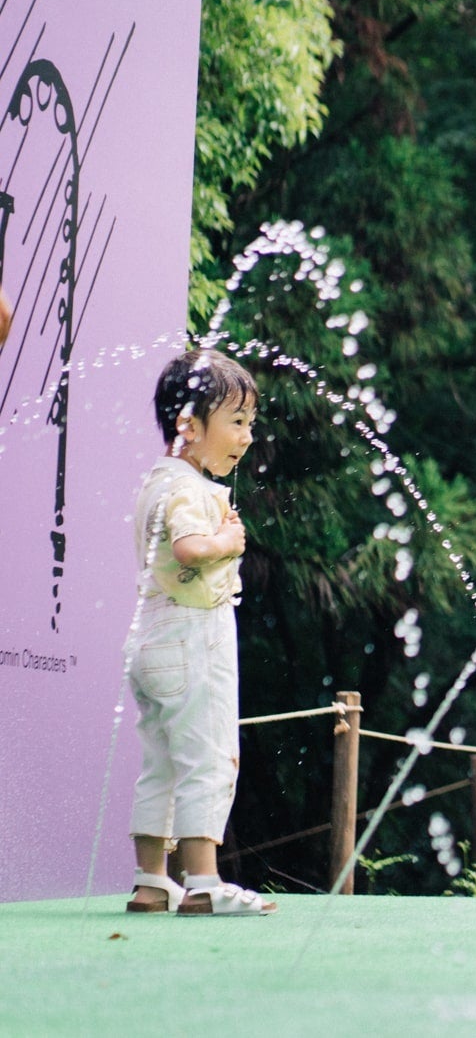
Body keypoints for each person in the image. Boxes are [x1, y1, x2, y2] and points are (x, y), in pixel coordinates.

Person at [126, 347, 273, 916]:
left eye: (250, 424)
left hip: (149, 640)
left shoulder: (153, 483)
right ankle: (205, 882)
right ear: (189, 425)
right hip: (193, 638)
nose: (246, 437)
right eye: (236, 422)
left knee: (160, 760)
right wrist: (227, 544)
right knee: (208, 756)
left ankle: (151, 880)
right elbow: (189, 547)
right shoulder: (191, 488)